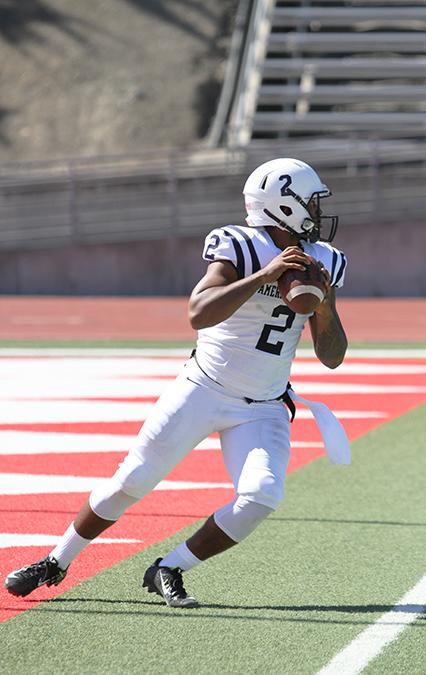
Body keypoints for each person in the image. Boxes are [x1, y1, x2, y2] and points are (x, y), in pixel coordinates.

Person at [5, 157, 348, 608]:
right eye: (311, 202)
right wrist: (264, 276)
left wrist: (324, 306)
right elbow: (198, 313)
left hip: (263, 404)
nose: (319, 213)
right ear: (283, 205)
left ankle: (170, 566)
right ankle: (56, 559)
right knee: (131, 481)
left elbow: (332, 357)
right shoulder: (240, 246)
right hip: (202, 388)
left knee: (262, 495)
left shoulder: (324, 261)